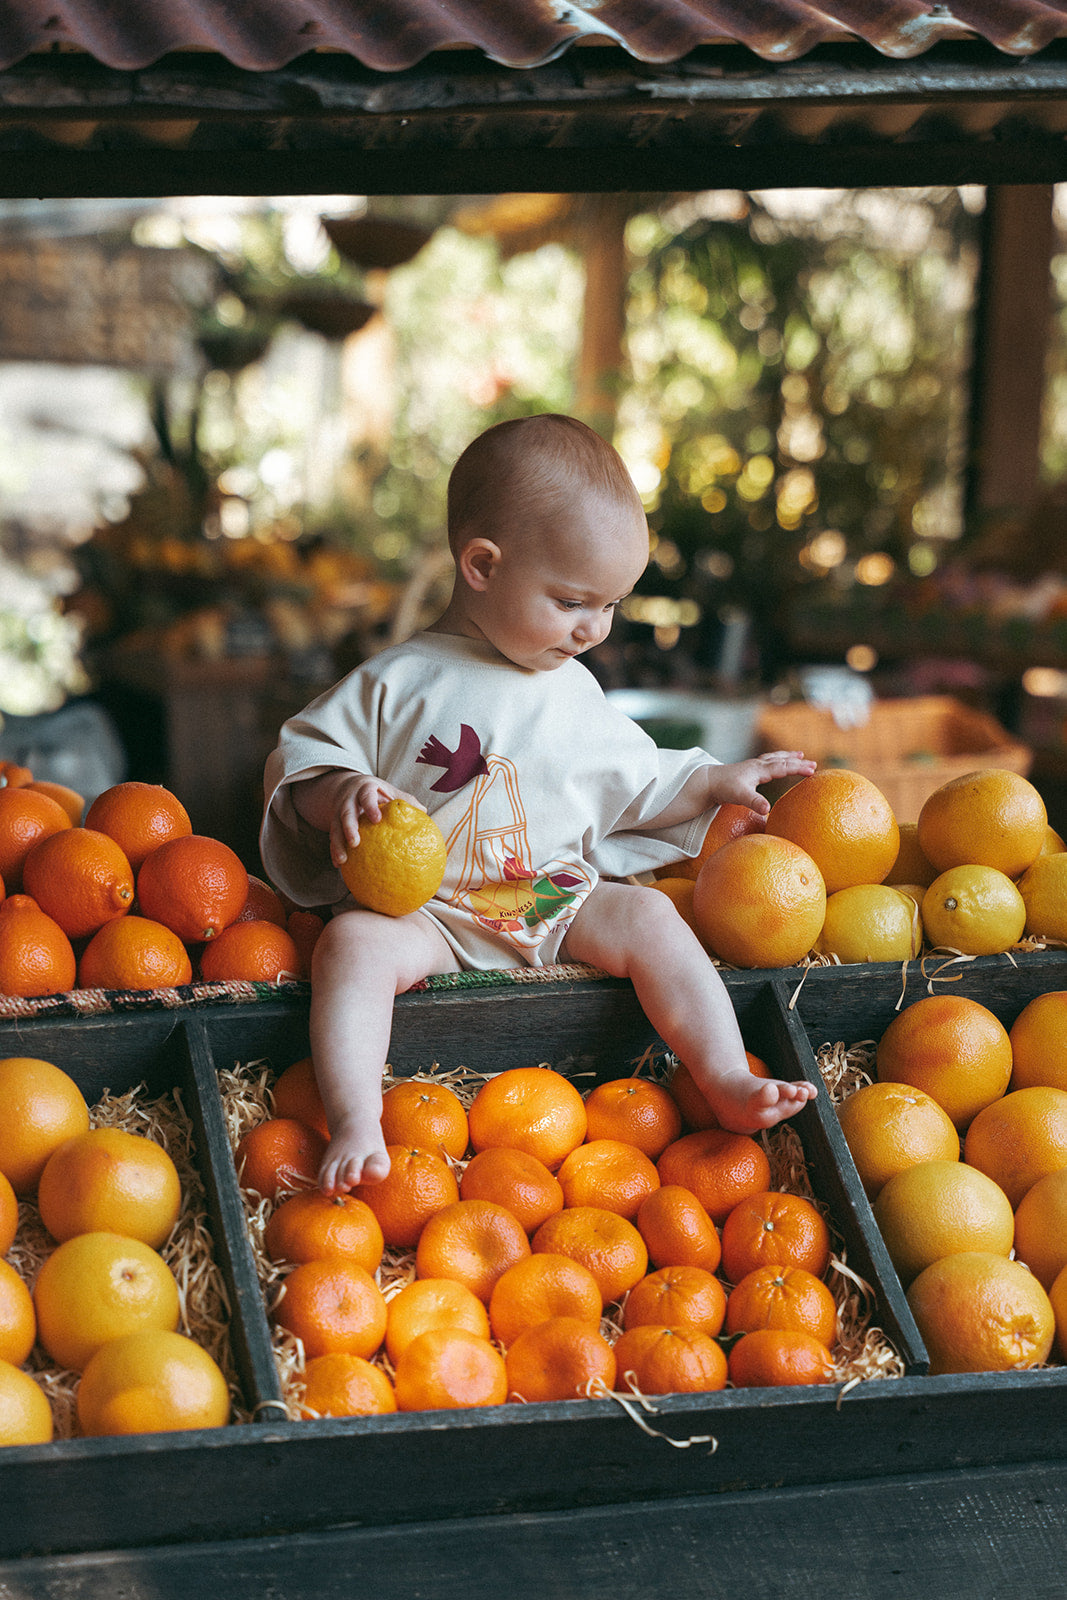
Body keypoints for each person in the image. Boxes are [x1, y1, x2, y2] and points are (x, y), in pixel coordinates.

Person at [261, 414, 817, 1194]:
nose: (594, 629)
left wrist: (712, 780)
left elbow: (632, 777)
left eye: (612, 606)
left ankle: (722, 1072)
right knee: (350, 947)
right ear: (482, 566)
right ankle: (355, 1120)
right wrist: (340, 792)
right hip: (429, 913)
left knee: (649, 917)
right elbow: (307, 756)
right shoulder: (397, 678)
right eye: (571, 602)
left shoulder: (573, 687)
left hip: (542, 893)